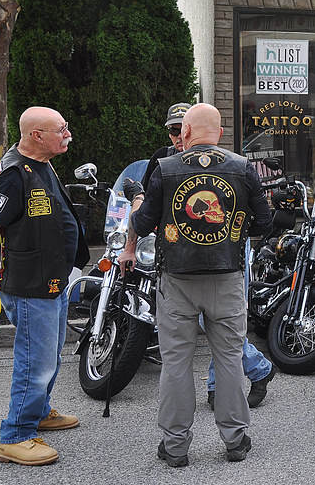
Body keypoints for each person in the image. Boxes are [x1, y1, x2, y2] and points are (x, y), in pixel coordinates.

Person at [126, 103, 273, 466]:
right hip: (227, 279)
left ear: (186, 132)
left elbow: (142, 225)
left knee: (175, 363)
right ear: (220, 134)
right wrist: (234, 232)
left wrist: (139, 200)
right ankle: (235, 440)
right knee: (229, 360)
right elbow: (265, 222)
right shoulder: (242, 168)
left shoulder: (165, 169)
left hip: (177, 280)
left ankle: (175, 446)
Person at [0, 107, 88, 466]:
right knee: (34, 362)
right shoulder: (11, 175)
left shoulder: (41, 163)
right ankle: (16, 435)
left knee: (49, 356)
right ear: (36, 135)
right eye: (60, 129)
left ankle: (38, 412)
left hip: (51, 279)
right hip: (28, 284)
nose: (67, 133)